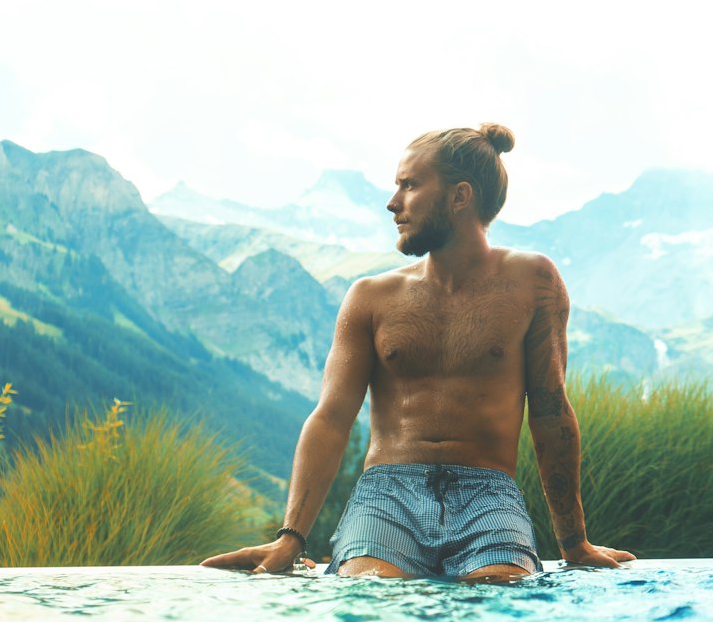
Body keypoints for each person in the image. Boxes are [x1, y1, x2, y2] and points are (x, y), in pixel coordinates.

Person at [201, 123, 635, 580]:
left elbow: (550, 411)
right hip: (386, 493)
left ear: (459, 196)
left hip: (488, 495)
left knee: (502, 587)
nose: (393, 203)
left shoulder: (533, 281)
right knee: (371, 587)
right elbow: (331, 417)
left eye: (409, 185)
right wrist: (290, 537)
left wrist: (574, 543)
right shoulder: (370, 296)